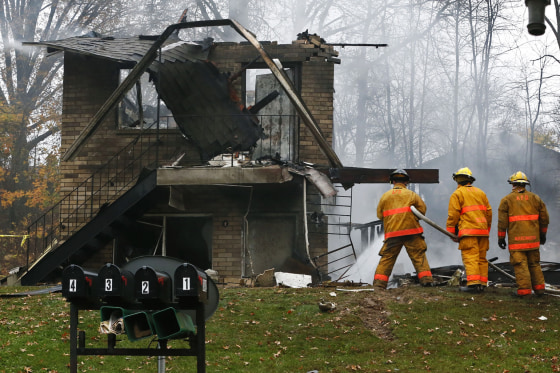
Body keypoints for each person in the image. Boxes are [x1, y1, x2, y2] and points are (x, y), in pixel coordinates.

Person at [373, 169, 433, 289]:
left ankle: (379, 284)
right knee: (418, 255)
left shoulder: (385, 197)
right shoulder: (412, 195)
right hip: (412, 231)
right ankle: (426, 280)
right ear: (406, 182)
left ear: (393, 181)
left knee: (387, 258)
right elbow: (422, 211)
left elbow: (380, 215)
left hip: (392, 233)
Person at [497, 171, 549, 297]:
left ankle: (524, 291)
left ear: (513, 184)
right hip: (533, 240)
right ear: (525, 184)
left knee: (521, 265)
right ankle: (540, 289)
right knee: (534, 264)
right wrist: (543, 235)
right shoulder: (535, 198)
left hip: (517, 241)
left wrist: (501, 237)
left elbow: (502, 222)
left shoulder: (507, 200)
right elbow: (544, 219)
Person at [446, 167, 492, 293]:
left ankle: (473, 284)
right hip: (483, 232)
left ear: (457, 180)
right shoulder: (481, 193)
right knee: (482, 258)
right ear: (470, 180)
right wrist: (486, 229)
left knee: (471, 257)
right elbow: (489, 213)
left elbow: (453, 215)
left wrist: (451, 232)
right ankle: (482, 284)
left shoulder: (457, 194)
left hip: (468, 232)